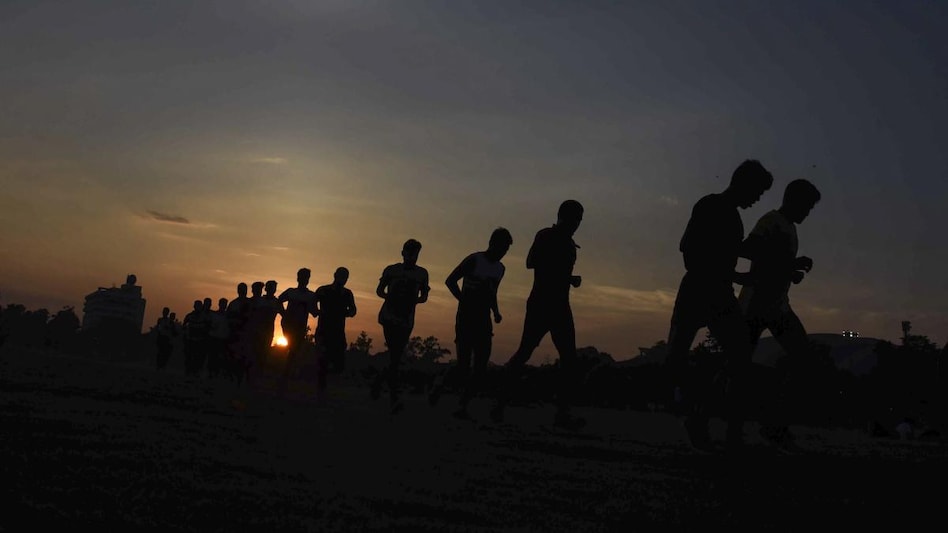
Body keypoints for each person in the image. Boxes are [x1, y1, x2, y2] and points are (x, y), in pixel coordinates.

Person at [664, 159, 773, 451]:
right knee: (677, 358)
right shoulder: (711, 206)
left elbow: (727, 251)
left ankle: (709, 420)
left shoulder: (732, 217)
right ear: (744, 184)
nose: (757, 199)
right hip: (701, 289)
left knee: (737, 357)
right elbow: (689, 249)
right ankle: (698, 415)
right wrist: (737, 274)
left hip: (717, 291)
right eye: (758, 192)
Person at [489, 201, 586, 431]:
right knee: (525, 351)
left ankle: (562, 414)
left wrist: (568, 279)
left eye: (580, 220)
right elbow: (530, 262)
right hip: (541, 303)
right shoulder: (546, 236)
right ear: (564, 217)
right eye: (576, 219)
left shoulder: (570, 244)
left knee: (569, 359)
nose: (578, 224)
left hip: (561, 306)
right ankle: (499, 404)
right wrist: (563, 275)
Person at [738, 178, 821, 449]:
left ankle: (773, 424)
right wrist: (789, 264)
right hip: (755, 304)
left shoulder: (789, 227)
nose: (807, 213)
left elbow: (771, 264)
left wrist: (789, 272)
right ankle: (722, 421)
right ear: (793, 200)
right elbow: (749, 249)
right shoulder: (771, 221)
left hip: (777, 305)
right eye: (806, 207)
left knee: (803, 358)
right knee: (736, 365)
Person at [429, 228, 512, 420]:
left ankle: (463, 405)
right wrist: (462, 300)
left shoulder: (500, 269)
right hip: (466, 318)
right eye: (502, 248)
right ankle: (440, 384)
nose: (503, 253)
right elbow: (450, 280)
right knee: (463, 366)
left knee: (480, 367)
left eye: (506, 250)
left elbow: (493, 293)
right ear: (492, 243)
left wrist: (496, 311)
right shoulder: (474, 260)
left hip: (484, 320)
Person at [371, 239, 430, 414]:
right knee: (395, 355)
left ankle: (379, 384)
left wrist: (412, 301)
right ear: (403, 252)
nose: (412, 256)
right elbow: (379, 290)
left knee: (395, 356)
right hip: (389, 316)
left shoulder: (422, 273)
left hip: (406, 319)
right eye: (410, 252)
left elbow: (424, 296)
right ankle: (393, 397)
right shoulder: (392, 270)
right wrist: (392, 298)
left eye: (415, 254)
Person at [313, 267, 358, 402]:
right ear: (335, 275)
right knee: (323, 359)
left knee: (339, 362)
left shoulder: (347, 294)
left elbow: (354, 309)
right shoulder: (323, 290)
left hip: (338, 331)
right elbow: (312, 303)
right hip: (323, 330)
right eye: (341, 276)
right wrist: (317, 312)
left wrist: (348, 313)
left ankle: (329, 388)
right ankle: (322, 389)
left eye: (345, 277)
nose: (343, 279)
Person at [278, 269, 317, 396]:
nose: (304, 279)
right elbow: (279, 300)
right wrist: (284, 314)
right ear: (298, 278)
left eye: (306, 277)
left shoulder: (311, 295)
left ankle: (285, 376)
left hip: (300, 327)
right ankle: (285, 376)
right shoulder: (291, 292)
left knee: (294, 351)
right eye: (302, 276)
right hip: (289, 326)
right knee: (293, 350)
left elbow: (314, 312)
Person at [182, 299, 211, 377]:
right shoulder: (189, 315)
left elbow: (209, 327)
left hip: (200, 340)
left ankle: (195, 371)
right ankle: (188, 371)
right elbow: (184, 325)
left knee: (198, 357)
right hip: (190, 339)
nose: (198, 307)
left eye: (199, 306)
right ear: (194, 306)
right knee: (189, 356)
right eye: (197, 305)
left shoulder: (205, 317)